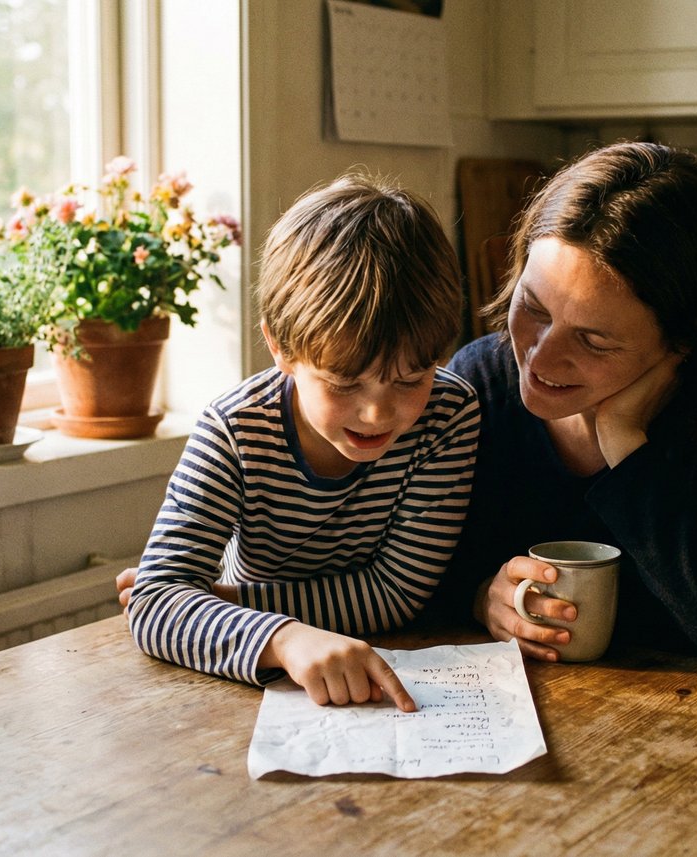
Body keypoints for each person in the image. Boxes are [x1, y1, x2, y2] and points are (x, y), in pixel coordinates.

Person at [428, 140, 697, 683]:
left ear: (683, 344)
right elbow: (414, 583)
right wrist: (479, 600)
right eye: (533, 308)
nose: (539, 358)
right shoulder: (479, 385)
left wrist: (628, 447)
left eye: (592, 340)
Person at [122, 174, 479, 712]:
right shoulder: (234, 429)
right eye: (343, 383)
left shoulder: (449, 415)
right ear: (280, 347)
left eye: (412, 378)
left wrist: (229, 603)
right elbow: (153, 602)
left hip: (376, 658)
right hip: (250, 681)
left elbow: (397, 591)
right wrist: (285, 639)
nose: (379, 412)